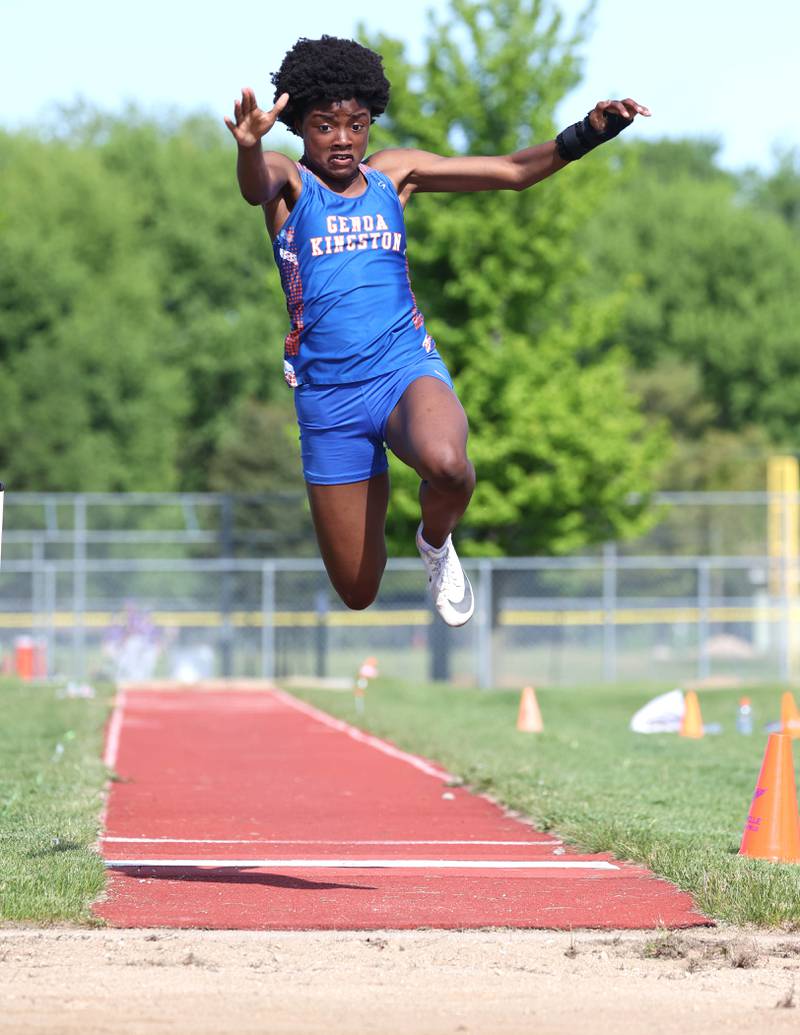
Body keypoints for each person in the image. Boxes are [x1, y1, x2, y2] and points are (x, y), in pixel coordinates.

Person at [225, 35, 649, 627]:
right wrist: (249, 145)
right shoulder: (289, 183)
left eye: (357, 123)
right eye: (325, 126)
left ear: (372, 121)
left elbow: (511, 172)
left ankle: (434, 541)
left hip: (403, 369)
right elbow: (254, 184)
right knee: (357, 589)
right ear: (298, 125)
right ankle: (396, 529)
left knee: (449, 463)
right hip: (329, 400)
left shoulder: (394, 176)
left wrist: (588, 132)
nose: (343, 139)